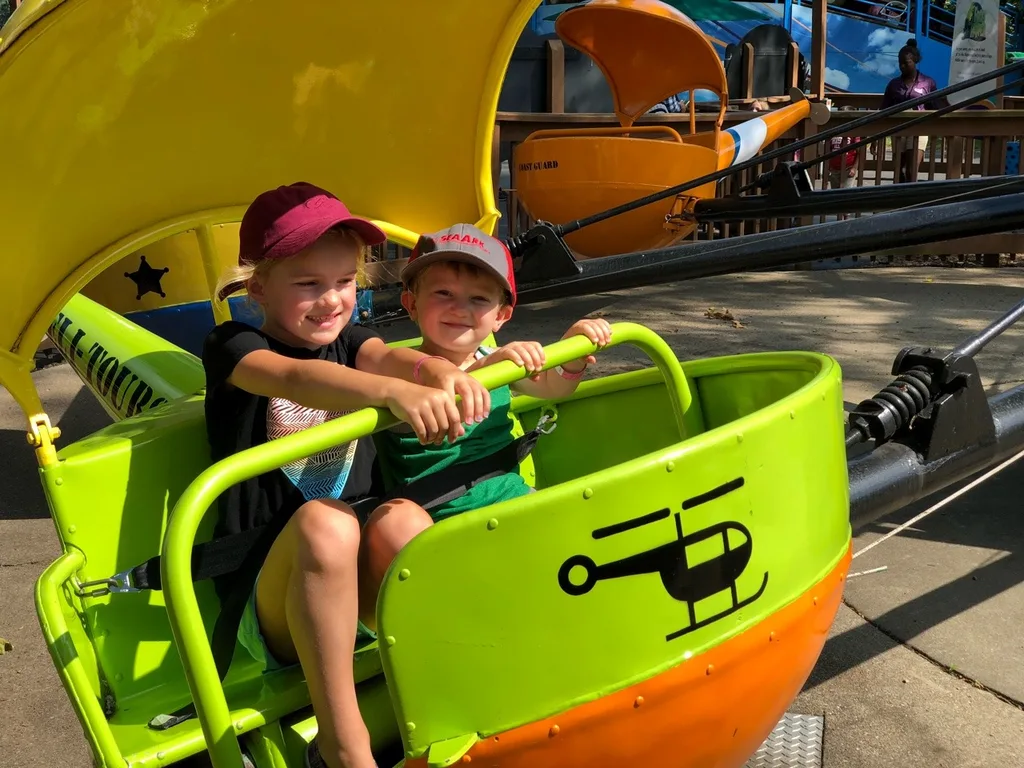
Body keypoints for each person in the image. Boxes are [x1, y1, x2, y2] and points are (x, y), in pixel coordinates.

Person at [202, 182, 492, 768]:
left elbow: (390, 357)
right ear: (259, 287)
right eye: (308, 284)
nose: (331, 300)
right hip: (273, 600)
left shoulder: (354, 341)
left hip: (355, 589)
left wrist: (437, 371)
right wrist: (392, 390)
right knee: (326, 523)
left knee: (406, 517)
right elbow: (294, 381)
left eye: (342, 282)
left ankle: (458, 699)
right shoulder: (235, 346)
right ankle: (344, 744)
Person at [361, 223, 612, 631]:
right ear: (411, 303)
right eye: (443, 293)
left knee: (577, 532)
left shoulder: (494, 359)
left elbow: (550, 388)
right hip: (433, 518)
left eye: (478, 299)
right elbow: (446, 395)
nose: (460, 308)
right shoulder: (401, 369)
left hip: (507, 496)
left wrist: (571, 355)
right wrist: (483, 370)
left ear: (502, 315)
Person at [880, 39, 948, 183]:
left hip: (918, 129)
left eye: (906, 62)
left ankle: (911, 199)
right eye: (900, 63)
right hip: (898, 130)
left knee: (911, 171)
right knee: (899, 171)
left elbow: (935, 106)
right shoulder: (893, 84)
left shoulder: (927, 82)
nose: (902, 66)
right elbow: (884, 109)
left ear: (915, 61)